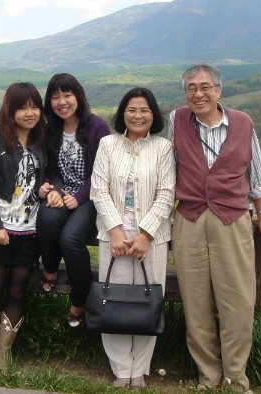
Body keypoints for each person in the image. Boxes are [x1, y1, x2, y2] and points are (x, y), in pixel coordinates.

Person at [167, 64, 261, 393]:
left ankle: (235, 378)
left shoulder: (243, 122)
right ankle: (208, 376)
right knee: (195, 301)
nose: (198, 94)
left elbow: (255, 174)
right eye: (191, 88)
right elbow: (168, 168)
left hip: (232, 218)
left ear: (218, 90)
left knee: (237, 301)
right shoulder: (177, 120)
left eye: (205, 87)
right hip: (189, 218)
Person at [90, 87, 175, 390]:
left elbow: (167, 193)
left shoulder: (163, 147)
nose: (138, 115)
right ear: (122, 113)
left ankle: (139, 369)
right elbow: (98, 189)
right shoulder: (107, 144)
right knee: (112, 299)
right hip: (112, 236)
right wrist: (115, 229)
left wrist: (145, 234)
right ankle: (120, 368)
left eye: (144, 110)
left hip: (151, 238)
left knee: (147, 300)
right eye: (132, 109)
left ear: (154, 114)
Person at [0, 82, 46, 378]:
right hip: (0, 230)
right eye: (22, 107)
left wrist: (48, 188)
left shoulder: (42, 141)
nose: (30, 113)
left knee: (18, 291)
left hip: (30, 231)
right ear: (10, 110)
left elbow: (48, 178)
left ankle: (4, 352)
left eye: (34, 106)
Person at [37, 73, 111, 327]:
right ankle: (50, 267)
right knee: (46, 217)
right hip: (63, 192)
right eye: (55, 97)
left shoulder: (98, 127)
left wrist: (78, 197)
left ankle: (79, 300)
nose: (62, 102)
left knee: (70, 239)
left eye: (67, 95)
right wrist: (52, 188)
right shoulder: (50, 129)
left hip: (92, 196)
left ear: (78, 96)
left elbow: (103, 172)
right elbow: (49, 168)